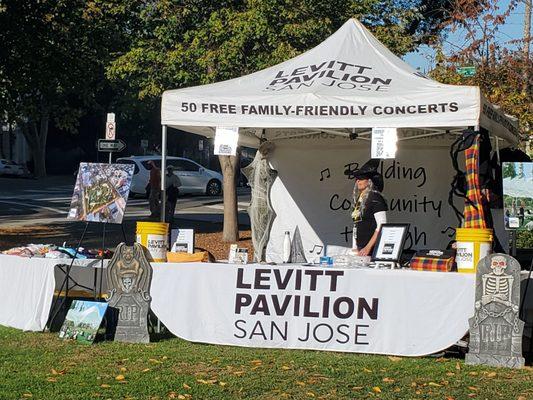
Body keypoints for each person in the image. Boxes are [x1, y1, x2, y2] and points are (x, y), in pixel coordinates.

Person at [351, 159, 388, 256]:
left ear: (369, 181)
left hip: (373, 249)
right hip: (361, 248)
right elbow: (356, 224)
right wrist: (355, 247)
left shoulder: (376, 198)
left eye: (361, 178)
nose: (358, 181)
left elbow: (382, 225)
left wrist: (368, 247)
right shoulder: (360, 199)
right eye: (357, 179)